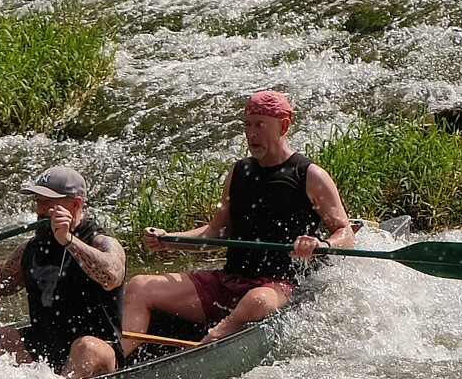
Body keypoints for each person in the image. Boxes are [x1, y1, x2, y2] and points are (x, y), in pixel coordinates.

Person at [121, 90, 355, 357]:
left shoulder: (310, 175)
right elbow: (216, 232)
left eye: (260, 125)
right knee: (140, 285)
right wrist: (169, 239)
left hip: (279, 286)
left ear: (284, 126)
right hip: (229, 280)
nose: (251, 133)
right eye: (247, 125)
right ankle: (118, 360)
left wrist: (320, 243)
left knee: (256, 300)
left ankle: (210, 343)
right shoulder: (239, 172)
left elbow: (345, 233)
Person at [0, 167, 127, 379]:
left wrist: (68, 241)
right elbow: (0, 285)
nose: (41, 210)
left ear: (76, 204)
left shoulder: (99, 240)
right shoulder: (30, 248)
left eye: (49, 203)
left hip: (98, 350)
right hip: (46, 345)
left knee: (85, 347)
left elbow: (112, 276)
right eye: (38, 201)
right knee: (1, 339)